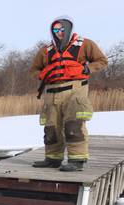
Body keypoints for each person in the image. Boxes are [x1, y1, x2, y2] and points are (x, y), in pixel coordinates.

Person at [30, 16, 108, 172]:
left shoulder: (85, 44)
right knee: (51, 127)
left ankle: (77, 160)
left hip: (75, 91)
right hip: (51, 93)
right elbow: (34, 70)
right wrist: (42, 75)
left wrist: (88, 68)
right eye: (55, 30)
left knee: (74, 125)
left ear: (68, 29)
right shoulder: (46, 50)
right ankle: (52, 159)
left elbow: (102, 60)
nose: (59, 32)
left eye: (61, 29)